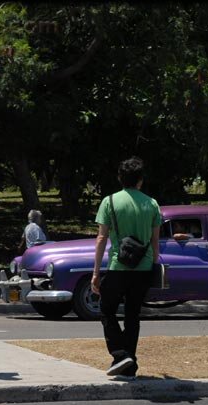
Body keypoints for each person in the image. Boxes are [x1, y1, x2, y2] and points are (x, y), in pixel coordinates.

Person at [91, 156, 162, 378]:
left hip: (118, 265)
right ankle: (129, 365)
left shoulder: (109, 201)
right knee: (133, 314)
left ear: (120, 177)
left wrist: (95, 273)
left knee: (106, 310)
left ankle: (120, 354)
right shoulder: (151, 204)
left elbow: (101, 238)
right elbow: (155, 242)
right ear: (140, 180)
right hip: (143, 267)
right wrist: (154, 264)